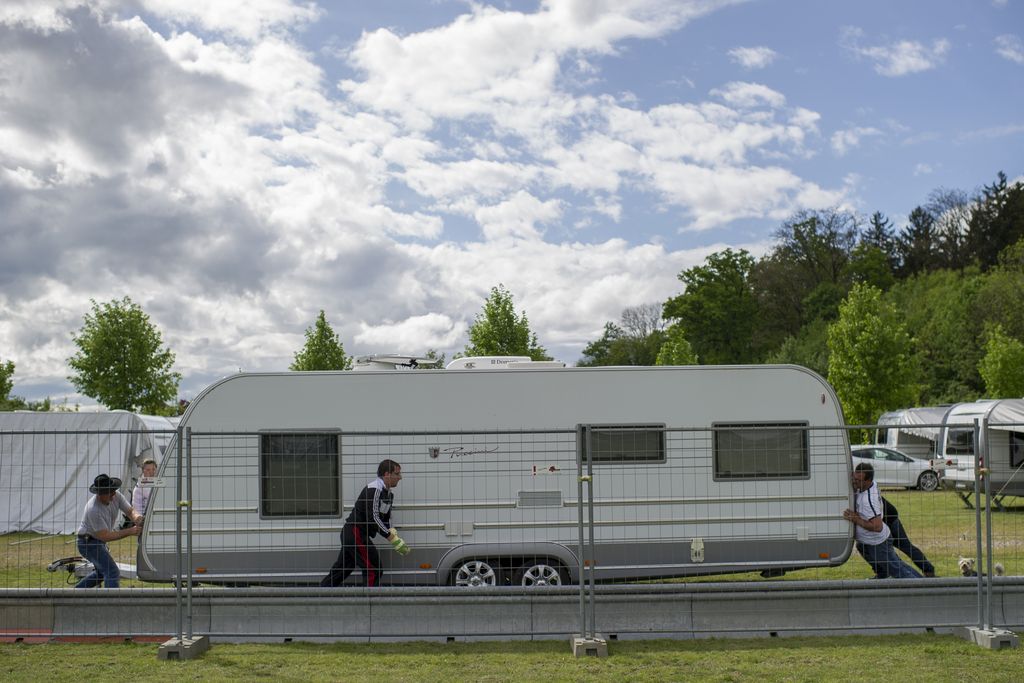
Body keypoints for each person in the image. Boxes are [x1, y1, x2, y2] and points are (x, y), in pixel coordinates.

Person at [321, 459, 411, 587]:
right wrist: (392, 539)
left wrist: (394, 534)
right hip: (355, 532)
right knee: (374, 569)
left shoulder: (388, 494)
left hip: (355, 534)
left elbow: (385, 519)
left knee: (342, 569)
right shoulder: (374, 489)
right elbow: (373, 518)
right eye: (397, 474)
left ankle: (319, 596)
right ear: (387, 474)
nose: (400, 477)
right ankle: (369, 604)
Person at [843, 463, 920, 579]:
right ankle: (883, 575)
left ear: (868, 480)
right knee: (897, 565)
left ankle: (921, 588)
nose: (854, 482)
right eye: (854, 478)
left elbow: (877, 526)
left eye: (858, 480)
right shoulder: (870, 485)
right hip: (870, 542)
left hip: (878, 543)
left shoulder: (868, 500)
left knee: (898, 571)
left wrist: (856, 519)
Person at [75, 473, 145, 588]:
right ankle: (111, 603)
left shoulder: (116, 495)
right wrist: (130, 531)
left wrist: (137, 518)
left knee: (101, 573)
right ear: (100, 494)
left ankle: (74, 595)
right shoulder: (93, 510)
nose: (113, 494)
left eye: (113, 490)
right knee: (112, 572)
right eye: (109, 492)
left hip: (95, 541)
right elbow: (106, 536)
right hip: (88, 543)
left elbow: (130, 511)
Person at [881, 496, 936, 577]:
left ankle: (928, 570)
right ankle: (927, 569)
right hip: (887, 519)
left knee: (905, 546)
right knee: (904, 547)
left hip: (889, 520)